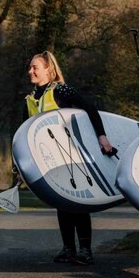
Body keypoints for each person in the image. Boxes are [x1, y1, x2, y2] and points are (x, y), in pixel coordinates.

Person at [22, 50, 114, 266]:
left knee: (78, 202)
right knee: (61, 202)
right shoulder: (29, 100)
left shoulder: (61, 91)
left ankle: (85, 250)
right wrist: (19, 166)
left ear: (48, 69)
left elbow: (90, 109)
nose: (30, 71)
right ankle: (68, 249)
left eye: (35, 67)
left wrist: (102, 137)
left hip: (72, 155)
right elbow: (22, 135)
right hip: (48, 160)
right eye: (30, 67)